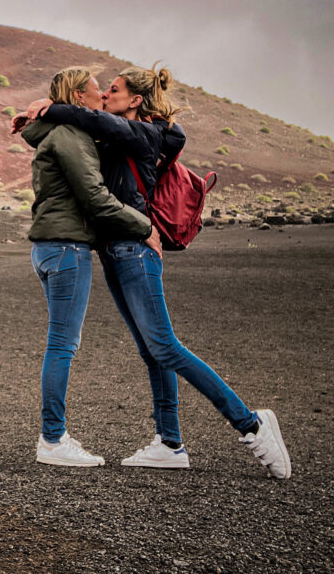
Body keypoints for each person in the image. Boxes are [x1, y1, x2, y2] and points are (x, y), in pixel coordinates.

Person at [20, 63, 291, 478]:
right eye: (102, 89)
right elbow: (76, 132)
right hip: (114, 251)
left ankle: (251, 424)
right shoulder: (108, 134)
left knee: (164, 346)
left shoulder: (146, 135)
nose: (106, 95)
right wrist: (46, 109)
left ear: (135, 100)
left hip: (135, 250)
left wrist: (52, 107)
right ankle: (169, 443)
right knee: (152, 352)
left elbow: (85, 118)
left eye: (114, 89)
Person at [19, 66, 161, 467]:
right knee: (63, 344)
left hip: (51, 247)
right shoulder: (70, 136)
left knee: (60, 342)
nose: (102, 97)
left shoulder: (56, 132)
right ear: (79, 95)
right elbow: (96, 198)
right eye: (97, 91)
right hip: (66, 248)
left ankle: (54, 435)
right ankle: (52, 439)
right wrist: (145, 226)